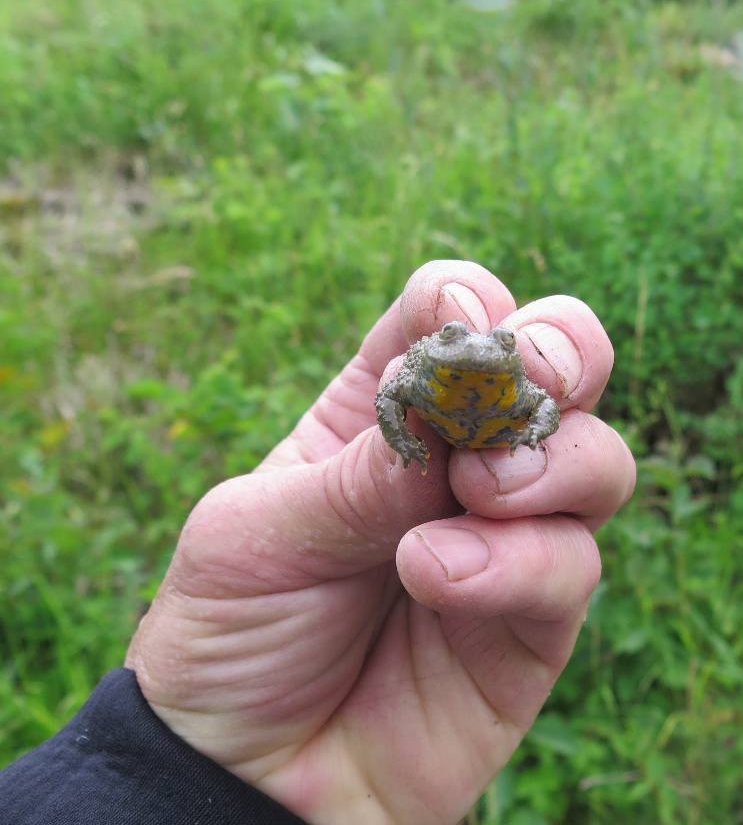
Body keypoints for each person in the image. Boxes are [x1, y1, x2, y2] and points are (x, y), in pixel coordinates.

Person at [0, 261, 636, 825]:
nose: (473, 348)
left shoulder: (519, 385)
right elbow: (390, 394)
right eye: (451, 337)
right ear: (434, 346)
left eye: (497, 344)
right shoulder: (422, 372)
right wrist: (401, 443)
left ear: (511, 356)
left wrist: (540, 436)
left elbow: (546, 411)